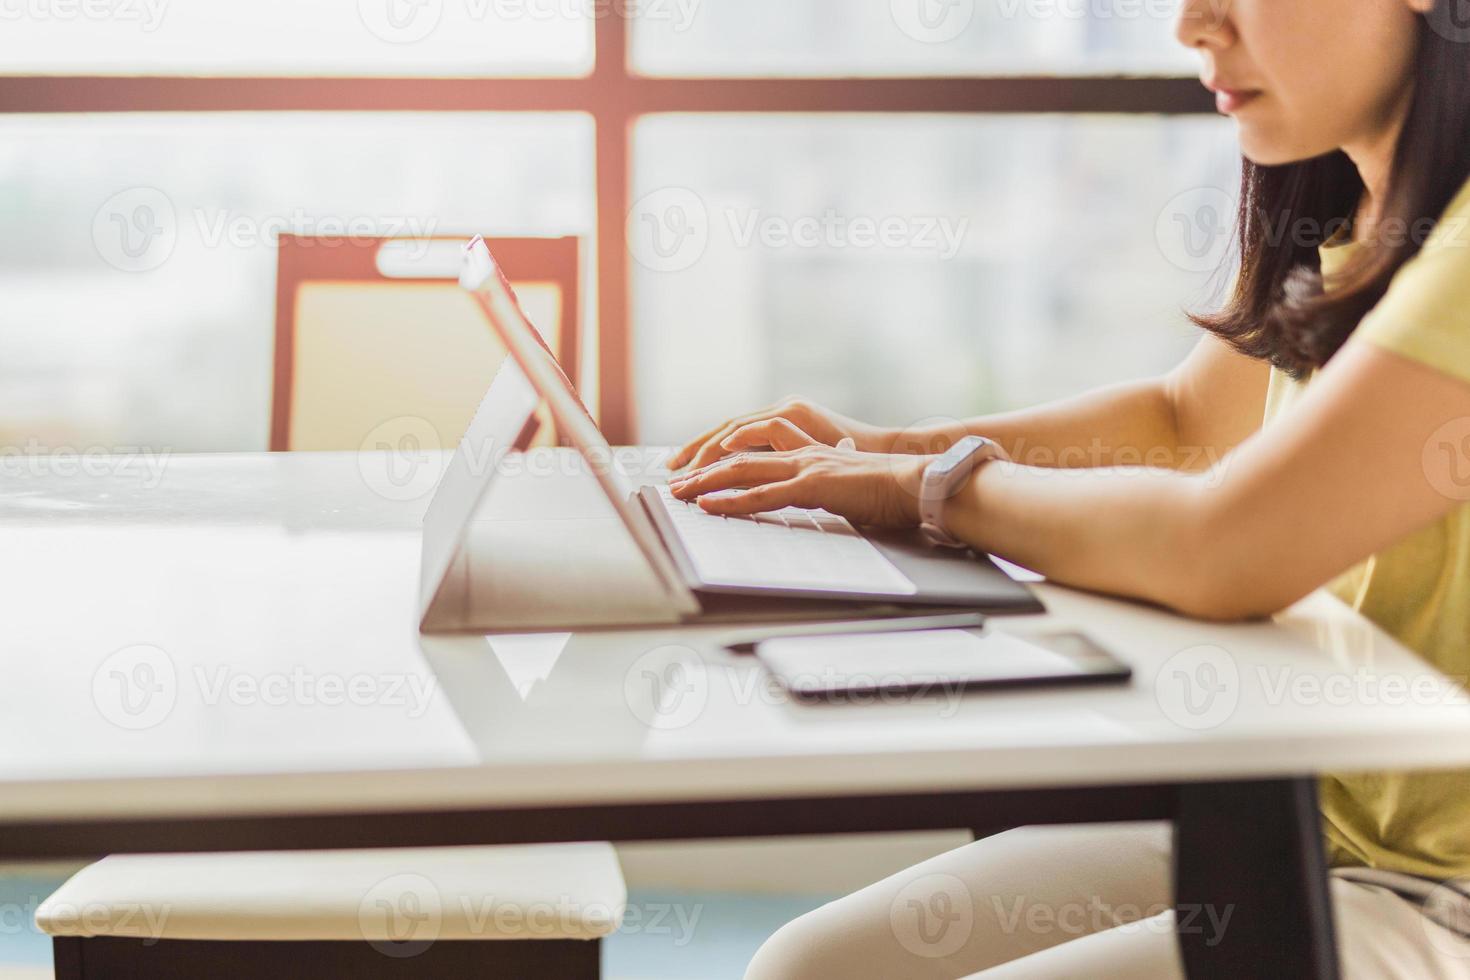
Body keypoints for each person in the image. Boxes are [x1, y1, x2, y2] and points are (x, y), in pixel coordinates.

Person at [668, 0, 1470, 975]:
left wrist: (928, 486)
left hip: (1443, 894)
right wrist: (876, 450)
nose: (1191, 26)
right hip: (1305, 815)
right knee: (809, 964)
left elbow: (1222, 546)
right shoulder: (1354, 202)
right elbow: (1185, 422)